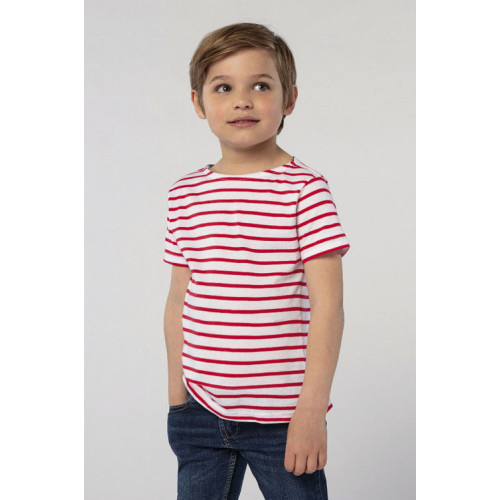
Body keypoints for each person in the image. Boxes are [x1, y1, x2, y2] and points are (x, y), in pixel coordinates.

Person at [162, 22, 350, 499]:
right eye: (224, 88)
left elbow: (328, 307)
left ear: (289, 99)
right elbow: (179, 298)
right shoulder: (185, 195)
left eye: (261, 86)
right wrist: (177, 398)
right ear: (198, 102)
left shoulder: (305, 190)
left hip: (284, 418)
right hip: (200, 410)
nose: (242, 101)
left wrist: (311, 411)